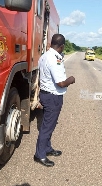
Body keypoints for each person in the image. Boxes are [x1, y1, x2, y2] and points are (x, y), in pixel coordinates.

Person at [34, 34, 75, 167]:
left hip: (46, 94)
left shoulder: (45, 56)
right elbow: (61, 83)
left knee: (49, 124)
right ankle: (40, 155)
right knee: (47, 126)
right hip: (53, 97)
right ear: (62, 46)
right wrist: (71, 79)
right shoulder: (54, 59)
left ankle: (47, 148)